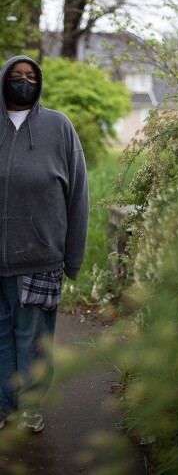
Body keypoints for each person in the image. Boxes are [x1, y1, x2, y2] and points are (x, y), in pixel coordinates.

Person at [0, 55, 89, 433]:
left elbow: (78, 195)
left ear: (39, 83)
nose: (23, 81)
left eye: (30, 76)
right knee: (1, 335)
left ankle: (30, 407)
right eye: (16, 76)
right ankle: (5, 406)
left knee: (33, 337)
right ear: (3, 80)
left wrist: (73, 257)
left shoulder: (58, 127)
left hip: (39, 255)